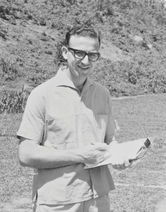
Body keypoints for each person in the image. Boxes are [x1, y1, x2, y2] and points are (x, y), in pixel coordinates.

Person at [17, 25, 129, 212]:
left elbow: (110, 141)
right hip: (58, 202)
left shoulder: (102, 94)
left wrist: (120, 155)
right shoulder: (42, 95)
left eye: (92, 55)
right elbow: (25, 154)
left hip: (98, 200)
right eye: (79, 53)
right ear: (65, 52)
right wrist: (80, 155)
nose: (86, 61)